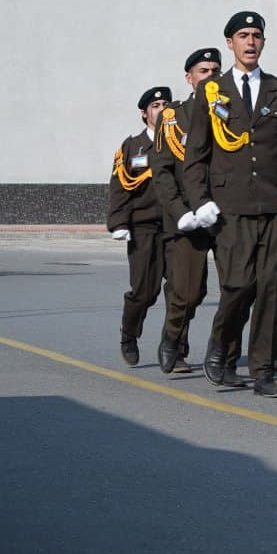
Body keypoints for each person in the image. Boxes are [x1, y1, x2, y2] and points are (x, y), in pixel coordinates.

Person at [185, 11, 277, 399]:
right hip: (229, 206)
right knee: (238, 285)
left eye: (256, 35)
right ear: (230, 43)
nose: (250, 42)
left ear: (263, 43)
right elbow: (195, 156)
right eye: (243, 35)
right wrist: (201, 201)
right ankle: (221, 345)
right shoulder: (211, 92)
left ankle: (263, 370)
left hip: (272, 204)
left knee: (271, 288)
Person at [151, 48, 224, 374]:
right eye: (203, 71)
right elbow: (162, 170)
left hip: (224, 211)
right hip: (185, 216)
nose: (210, 76)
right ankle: (173, 337)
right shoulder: (171, 118)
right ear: (189, 77)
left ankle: (227, 353)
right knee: (188, 289)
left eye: (215, 70)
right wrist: (181, 211)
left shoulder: (230, 110)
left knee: (237, 285)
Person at [108, 85, 172, 366]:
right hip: (144, 226)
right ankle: (129, 334)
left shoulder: (179, 140)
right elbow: (120, 186)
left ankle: (174, 345)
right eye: (155, 106)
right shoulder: (132, 146)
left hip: (175, 226)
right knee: (144, 291)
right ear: (144, 113)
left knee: (182, 290)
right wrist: (119, 222)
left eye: (165, 105)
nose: (161, 110)